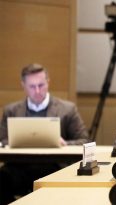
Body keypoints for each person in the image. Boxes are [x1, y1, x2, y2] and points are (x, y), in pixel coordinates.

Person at [0, 64, 90, 204]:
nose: (37, 91)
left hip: (55, 167)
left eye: (41, 85)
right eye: (32, 86)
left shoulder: (67, 109)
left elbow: (84, 140)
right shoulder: (11, 110)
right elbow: (2, 140)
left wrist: (65, 144)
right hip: (19, 167)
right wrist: (12, 142)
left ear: (48, 82)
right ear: (23, 85)